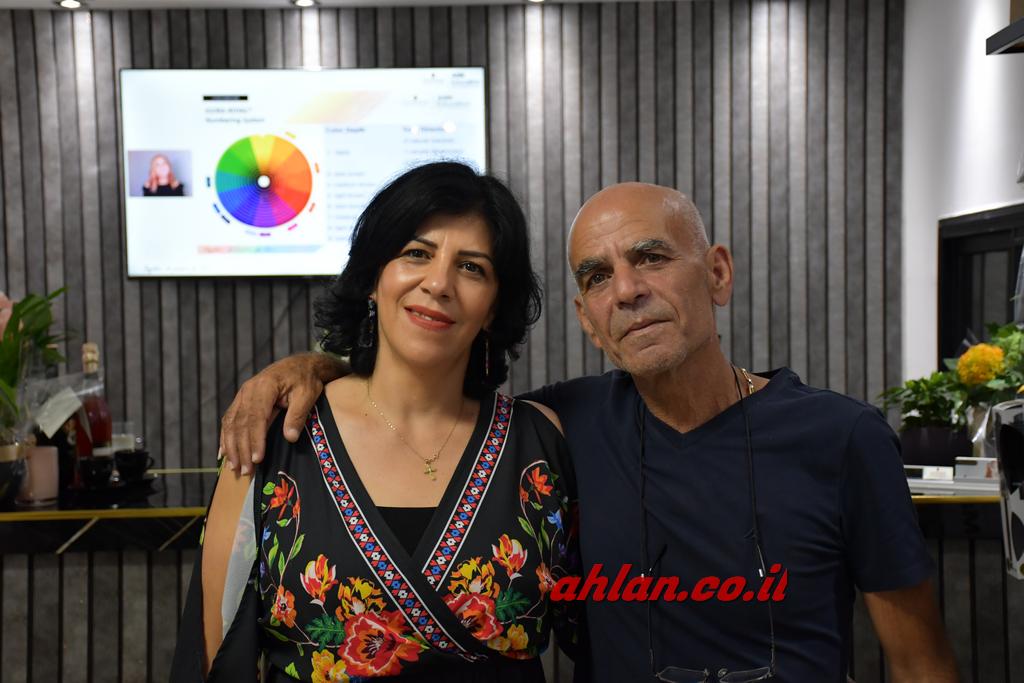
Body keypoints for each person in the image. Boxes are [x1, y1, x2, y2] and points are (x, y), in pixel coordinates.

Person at [219, 182, 958, 682]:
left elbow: (920, 662)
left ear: (718, 274)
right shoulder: (557, 429)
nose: (627, 290)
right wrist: (306, 369)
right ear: (586, 318)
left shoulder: (842, 437)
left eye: (651, 258)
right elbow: (418, 382)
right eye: (597, 277)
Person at [171, 162, 580, 682]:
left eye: (471, 267)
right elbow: (215, 657)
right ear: (372, 278)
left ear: (494, 308)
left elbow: (606, 633)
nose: (439, 283)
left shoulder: (539, 444)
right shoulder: (275, 440)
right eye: (416, 254)